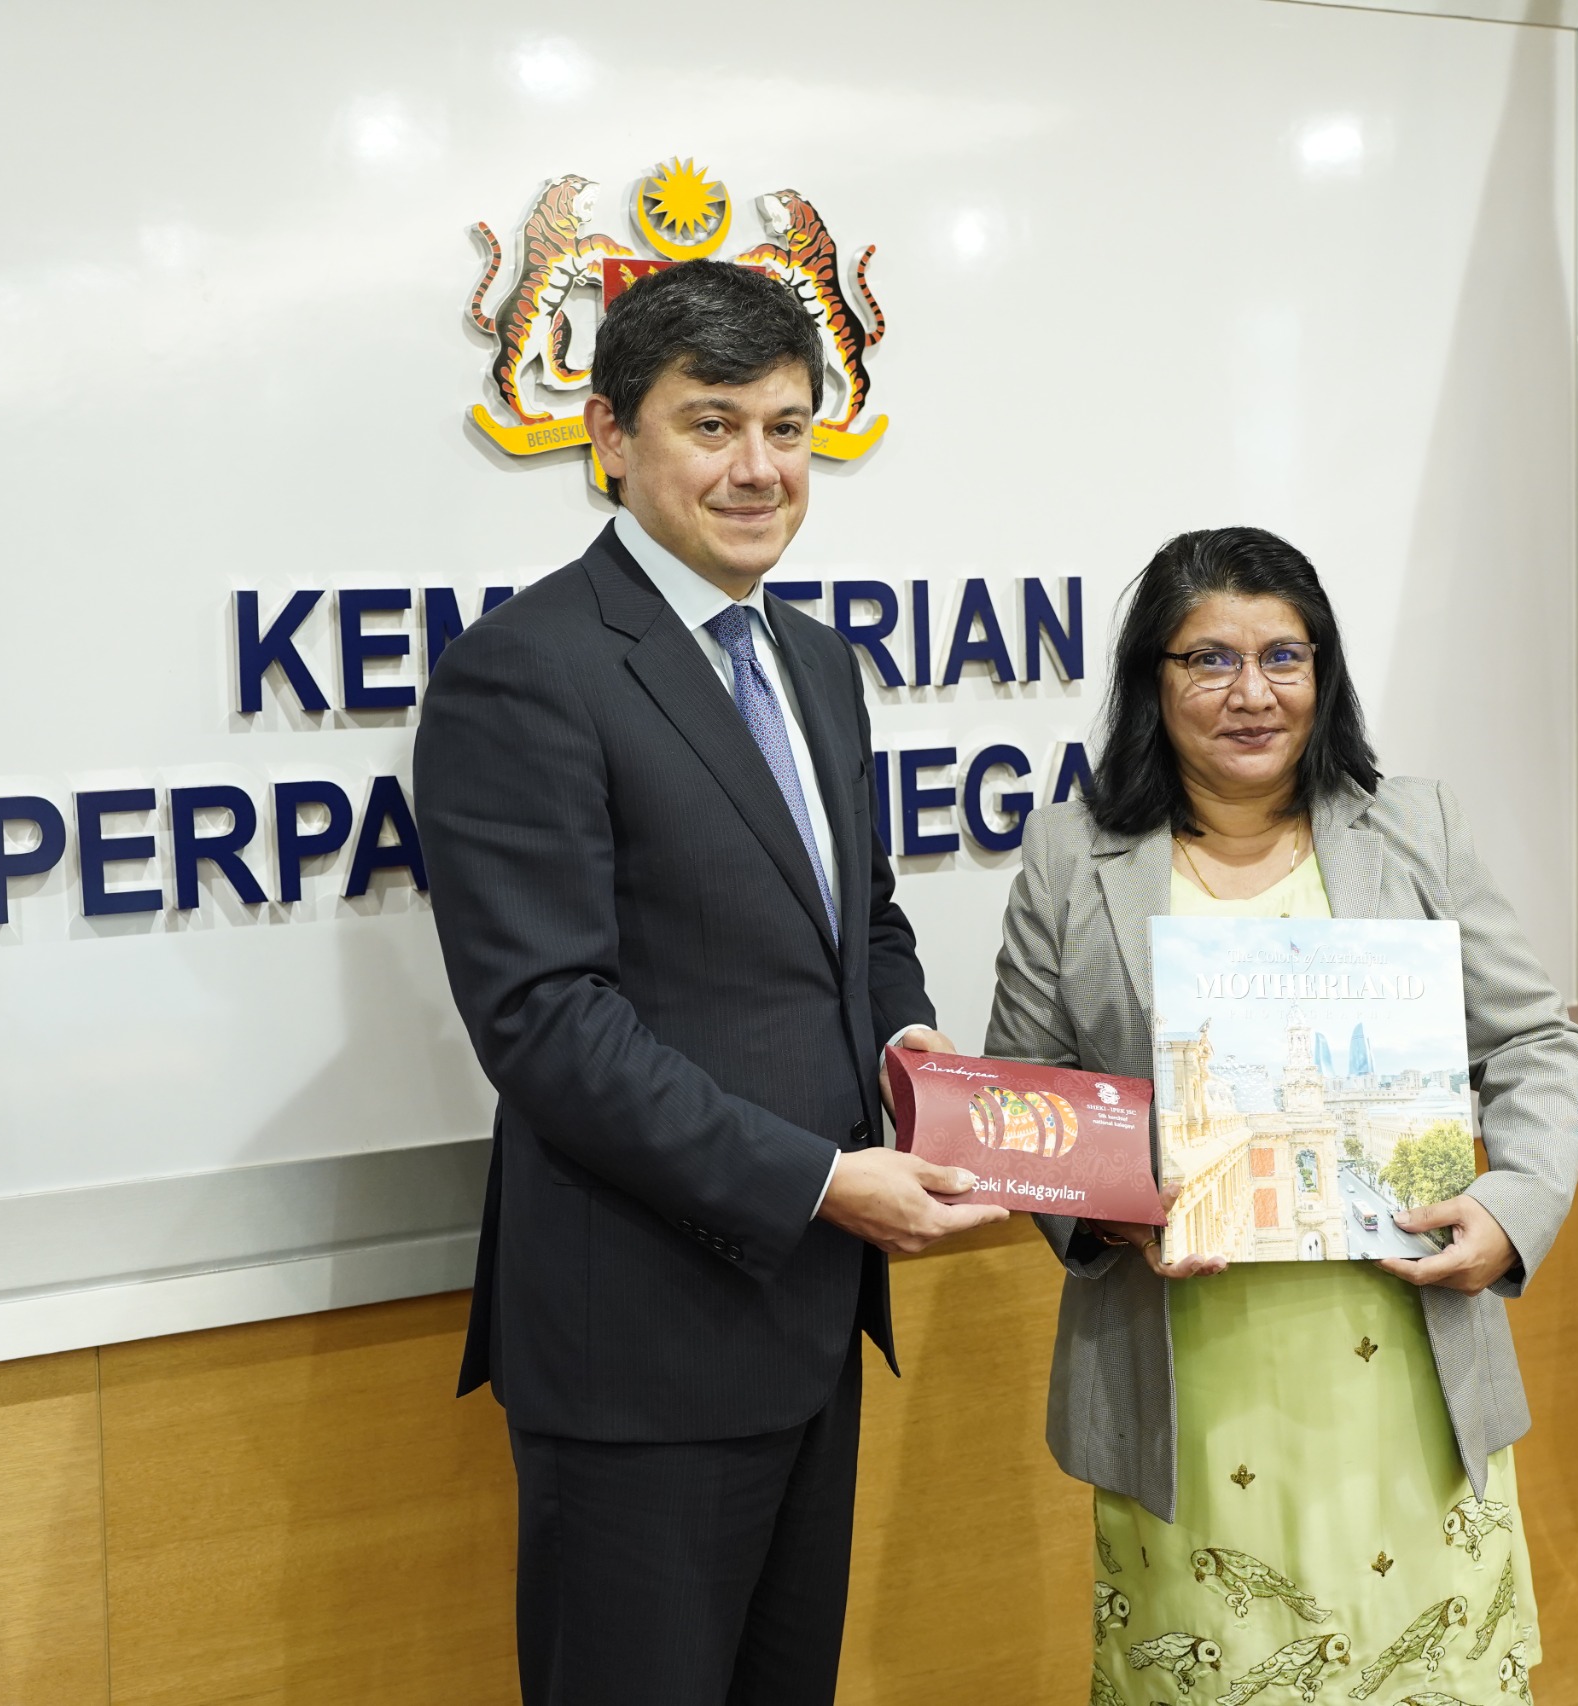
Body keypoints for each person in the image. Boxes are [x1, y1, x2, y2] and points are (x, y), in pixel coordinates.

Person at [413, 260, 1005, 1706]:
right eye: (713, 425)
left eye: (787, 428)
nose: (759, 469)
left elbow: (857, 921)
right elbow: (547, 1024)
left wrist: (914, 1052)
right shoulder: (525, 670)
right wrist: (821, 1179)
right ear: (611, 437)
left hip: (809, 1323)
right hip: (642, 1346)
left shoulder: (816, 661)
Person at [985, 527, 1578, 1705]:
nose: (1251, 693)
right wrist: (1111, 1214)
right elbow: (1029, 1094)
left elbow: (1535, 1040)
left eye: (1283, 656)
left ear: (1323, 670)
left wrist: (1511, 1208)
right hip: (1185, 1375)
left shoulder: (1415, 827)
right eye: (1208, 659)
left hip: (1407, 1361)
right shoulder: (1070, 856)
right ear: (1152, 680)